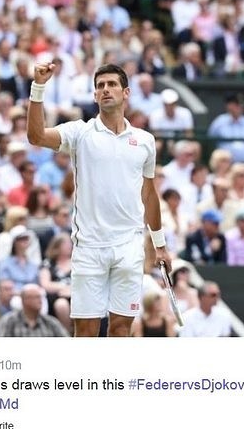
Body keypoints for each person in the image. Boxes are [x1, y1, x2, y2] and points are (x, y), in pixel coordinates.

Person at [27, 62, 171, 337]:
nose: (105, 90)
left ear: (126, 92)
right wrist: (38, 87)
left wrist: (160, 246)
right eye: (100, 86)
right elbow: (36, 136)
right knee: (86, 332)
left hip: (129, 247)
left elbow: (149, 194)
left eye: (112, 84)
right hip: (89, 248)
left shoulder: (145, 141)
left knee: (120, 330)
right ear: (94, 96)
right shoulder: (79, 133)